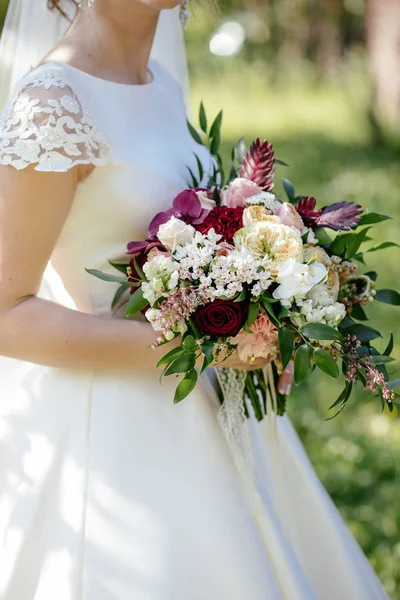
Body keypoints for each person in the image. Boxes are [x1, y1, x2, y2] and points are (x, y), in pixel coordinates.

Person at [0, 1, 389, 598]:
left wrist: (269, 303)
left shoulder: (160, 80)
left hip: (212, 405)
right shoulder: (52, 105)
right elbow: (7, 313)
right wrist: (206, 343)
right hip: (122, 433)